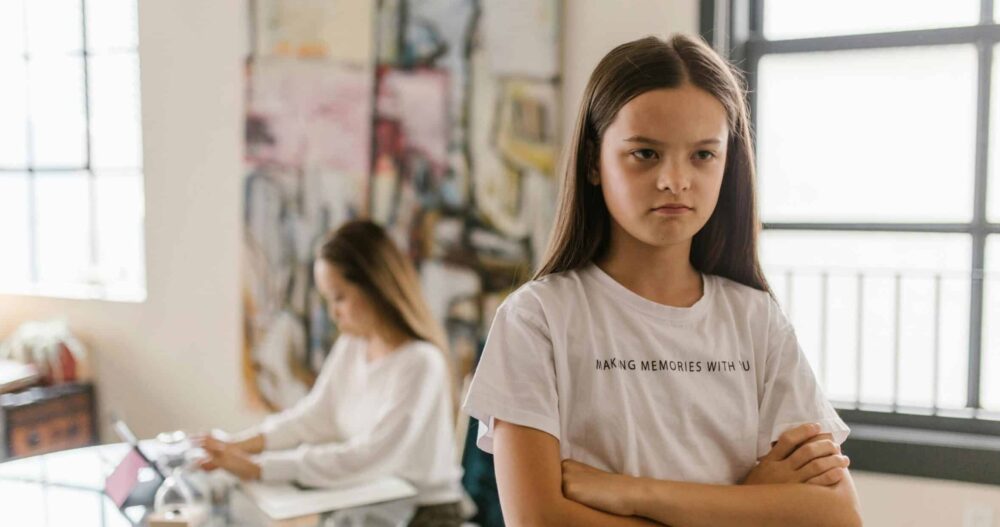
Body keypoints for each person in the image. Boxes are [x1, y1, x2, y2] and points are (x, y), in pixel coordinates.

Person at [462, 35, 862, 527]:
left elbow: (836, 514)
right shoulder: (536, 319)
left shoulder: (757, 320)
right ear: (593, 160)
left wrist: (631, 493)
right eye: (646, 154)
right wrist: (752, 502)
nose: (675, 180)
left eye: (703, 155)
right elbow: (541, 521)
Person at [198, 219, 465, 526]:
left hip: (423, 513)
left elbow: (370, 456)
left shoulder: (421, 363)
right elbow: (313, 417)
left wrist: (259, 467)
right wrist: (236, 444)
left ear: (375, 287)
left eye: (339, 297)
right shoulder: (352, 346)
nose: (332, 312)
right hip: (367, 501)